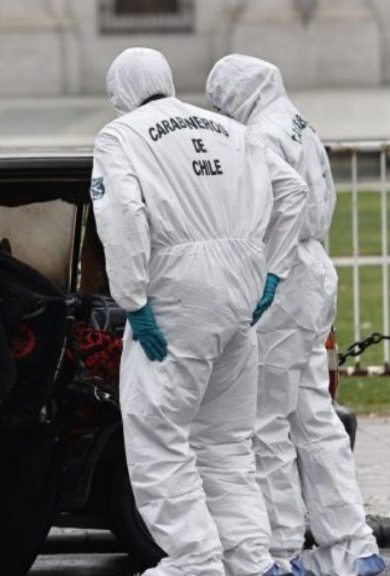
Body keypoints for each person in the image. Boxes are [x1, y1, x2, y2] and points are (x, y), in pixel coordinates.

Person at [91, 47, 309, 576]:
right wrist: (274, 272)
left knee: (158, 436)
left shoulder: (121, 136)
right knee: (227, 443)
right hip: (239, 298)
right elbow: (293, 189)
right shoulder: (232, 130)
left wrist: (133, 300)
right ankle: (251, 559)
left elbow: (122, 217)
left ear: (121, 90)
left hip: (176, 298)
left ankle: (195, 560)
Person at [207, 54, 386, 576]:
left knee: (267, 419)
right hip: (312, 272)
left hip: (282, 277)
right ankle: (351, 546)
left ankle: (281, 549)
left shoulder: (260, 135)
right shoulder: (295, 122)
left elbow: (272, 209)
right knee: (314, 418)